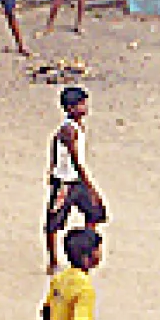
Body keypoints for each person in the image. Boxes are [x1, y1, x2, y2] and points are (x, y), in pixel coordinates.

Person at [46, 85, 106, 273]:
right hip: (67, 181)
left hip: (73, 180)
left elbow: (54, 144)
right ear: (70, 108)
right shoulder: (69, 130)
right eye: (80, 104)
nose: (84, 107)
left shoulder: (73, 127)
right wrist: (91, 186)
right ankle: (54, 260)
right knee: (54, 221)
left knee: (94, 211)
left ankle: (86, 248)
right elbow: (76, 161)